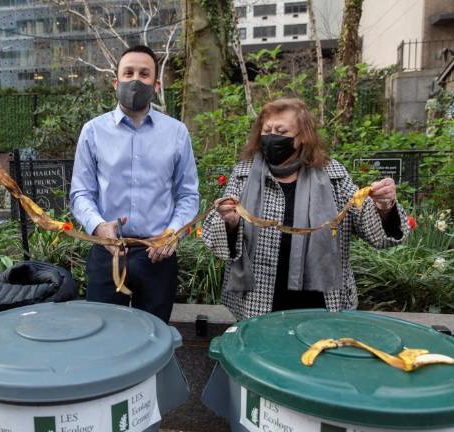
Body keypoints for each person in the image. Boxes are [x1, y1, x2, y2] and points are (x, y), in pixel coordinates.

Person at [202, 98, 409, 321]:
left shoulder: (333, 175)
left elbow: (374, 234)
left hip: (321, 301)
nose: (271, 137)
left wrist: (384, 206)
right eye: (267, 130)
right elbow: (215, 240)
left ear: (302, 137)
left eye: (281, 131)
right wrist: (230, 222)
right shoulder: (244, 174)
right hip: (257, 301)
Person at [70, 45, 199, 323]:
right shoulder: (93, 131)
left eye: (144, 74)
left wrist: (173, 233)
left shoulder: (177, 133)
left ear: (156, 83)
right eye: (128, 73)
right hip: (108, 254)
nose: (135, 80)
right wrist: (98, 226)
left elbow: (188, 194)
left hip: (158, 257)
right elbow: (81, 192)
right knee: (103, 338)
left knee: (153, 340)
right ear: (116, 81)